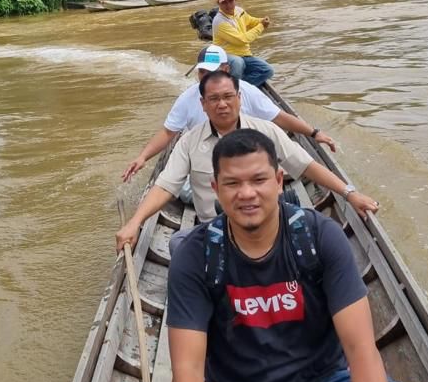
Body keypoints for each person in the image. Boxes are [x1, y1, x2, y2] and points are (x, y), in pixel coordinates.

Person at [143, 129, 425, 382]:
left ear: (279, 180)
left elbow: (361, 350)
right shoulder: (195, 256)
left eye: (259, 179)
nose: (247, 194)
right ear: (216, 189)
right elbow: (187, 372)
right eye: (232, 184)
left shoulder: (321, 238)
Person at [115, 71, 379, 250]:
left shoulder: (265, 130)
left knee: (319, 238)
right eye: (214, 99)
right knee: (178, 246)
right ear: (203, 105)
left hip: (267, 225)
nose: (222, 105)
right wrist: (135, 222)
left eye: (228, 97)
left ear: (240, 99)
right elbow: (165, 185)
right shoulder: (189, 141)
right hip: (216, 229)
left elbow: (306, 165)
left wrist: (349, 193)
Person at [120, 45, 337, 184]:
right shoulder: (188, 99)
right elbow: (168, 133)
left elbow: (279, 117)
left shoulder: (245, 91)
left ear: (225, 69)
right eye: (203, 72)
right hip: (204, 163)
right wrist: (142, 157)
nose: (208, 77)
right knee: (185, 191)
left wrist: (314, 133)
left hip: (244, 160)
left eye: (214, 71)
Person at [212, 0, 273, 86]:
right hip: (223, 56)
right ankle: (233, 88)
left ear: (235, 0)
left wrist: (261, 20)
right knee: (238, 62)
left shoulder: (239, 11)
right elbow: (242, 40)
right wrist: (262, 26)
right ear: (219, 3)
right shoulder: (219, 21)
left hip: (244, 54)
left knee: (268, 70)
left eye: (230, 1)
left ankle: (239, 86)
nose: (228, 5)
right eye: (224, 2)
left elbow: (250, 21)